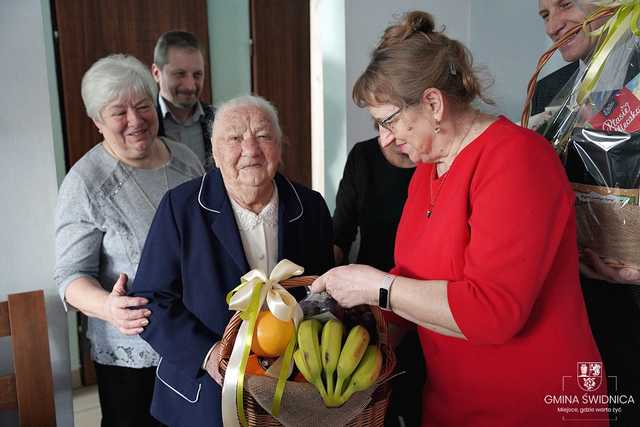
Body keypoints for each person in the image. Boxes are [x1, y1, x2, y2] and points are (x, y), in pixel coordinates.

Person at [312, 11, 606, 426]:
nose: (386, 138)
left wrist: (375, 286)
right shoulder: (428, 168)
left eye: (389, 121)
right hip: (452, 403)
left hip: (532, 405)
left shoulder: (516, 159)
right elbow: (411, 278)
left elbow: (493, 312)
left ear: (432, 102)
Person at [129, 95, 334, 426]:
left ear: (280, 146)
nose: (251, 150)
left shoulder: (310, 206)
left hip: (290, 387)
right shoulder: (180, 208)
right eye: (235, 138)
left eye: (264, 136)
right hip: (203, 390)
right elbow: (152, 300)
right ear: (215, 151)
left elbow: (321, 294)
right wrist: (209, 356)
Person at [54, 54, 204, 427]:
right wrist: (108, 307)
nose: (136, 121)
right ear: (97, 122)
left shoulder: (185, 160)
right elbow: (71, 277)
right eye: (119, 112)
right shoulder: (86, 182)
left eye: (142, 106)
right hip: (132, 355)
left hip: (193, 339)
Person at [535, 1, 640, 424]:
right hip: (576, 299)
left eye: (565, 4)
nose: (553, 25)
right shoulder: (550, 92)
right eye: (543, 15)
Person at [333, 135, 421, 426]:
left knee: (417, 400)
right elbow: (340, 235)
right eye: (381, 123)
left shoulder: (436, 162)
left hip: (425, 300)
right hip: (370, 305)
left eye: (392, 120)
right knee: (374, 405)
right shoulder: (363, 156)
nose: (388, 136)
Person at [152, 30, 215, 171]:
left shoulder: (218, 119)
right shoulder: (142, 125)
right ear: (156, 73)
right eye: (180, 74)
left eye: (197, 75)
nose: (190, 86)